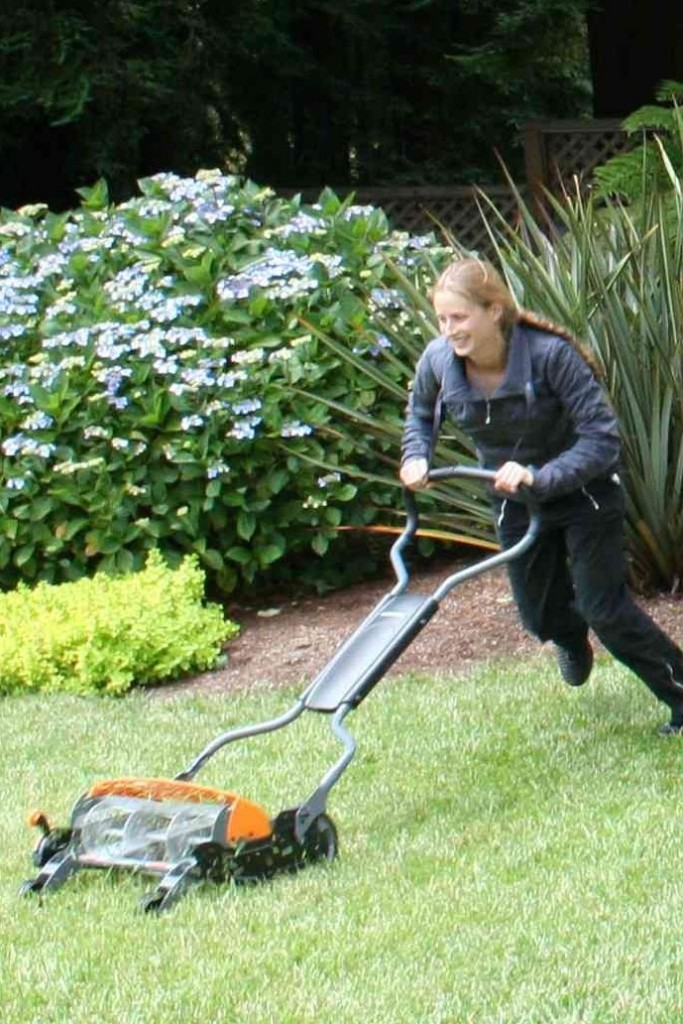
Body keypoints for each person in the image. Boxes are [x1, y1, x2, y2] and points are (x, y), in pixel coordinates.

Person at [400, 256, 683, 735]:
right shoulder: (438, 361)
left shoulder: (550, 355)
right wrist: (416, 456)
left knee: (606, 610)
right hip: (512, 499)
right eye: (442, 319)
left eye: (460, 317)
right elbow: (421, 413)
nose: (449, 330)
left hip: (584, 495)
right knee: (538, 614)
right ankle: (571, 640)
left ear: (494, 310)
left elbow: (602, 439)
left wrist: (542, 475)